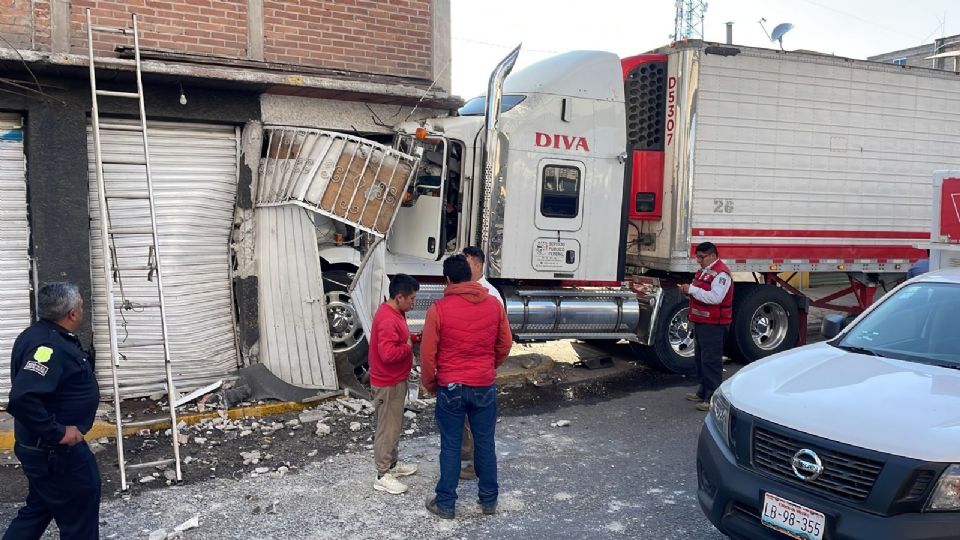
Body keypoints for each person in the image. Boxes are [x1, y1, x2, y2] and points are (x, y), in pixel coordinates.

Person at [4, 282, 101, 540]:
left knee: (38, 509)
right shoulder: (48, 346)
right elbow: (23, 397)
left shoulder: (39, 334)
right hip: (56, 453)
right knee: (81, 516)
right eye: (81, 304)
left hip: (41, 451)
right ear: (72, 313)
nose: (82, 307)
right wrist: (57, 433)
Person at [420, 255, 513, 519]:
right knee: (485, 443)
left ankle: (446, 504)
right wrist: (488, 366)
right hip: (484, 384)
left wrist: (430, 384)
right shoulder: (494, 305)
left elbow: (427, 355)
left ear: (447, 279)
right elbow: (505, 344)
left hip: (451, 386)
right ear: (471, 276)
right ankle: (488, 501)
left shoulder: (438, 309)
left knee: (450, 446)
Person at [369, 274, 421, 495]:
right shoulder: (388, 318)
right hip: (388, 382)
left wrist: (413, 338)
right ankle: (382, 474)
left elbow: (399, 339)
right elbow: (388, 353)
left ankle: (392, 464)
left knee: (394, 424)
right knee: (387, 428)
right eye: (411, 299)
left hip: (395, 379)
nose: (413, 303)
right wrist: (409, 346)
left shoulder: (395, 312)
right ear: (399, 297)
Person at [457, 246, 504, 481]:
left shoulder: (491, 295)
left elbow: (502, 339)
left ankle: (476, 466)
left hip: (479, 369)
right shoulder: (460, 291)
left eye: (466, 262)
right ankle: (467, 457)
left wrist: (490, 364)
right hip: (466, 368)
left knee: (478, 421)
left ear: (477, 265)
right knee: (465, 417)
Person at [679, 242, 733, 412]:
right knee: (701, 359)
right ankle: (703, 392)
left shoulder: (721, 274)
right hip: (703, 322)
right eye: (697, 257)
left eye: (701, 257)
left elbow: (715, 298)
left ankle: (712, 397)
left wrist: (692, 290)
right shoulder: (704, 271)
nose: (698, 260)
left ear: (712, 255)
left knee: (711, 361)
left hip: (715, 324)